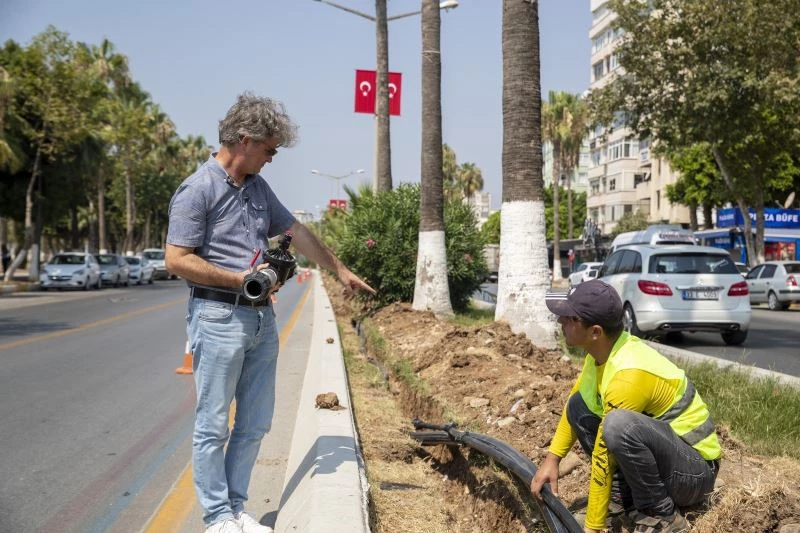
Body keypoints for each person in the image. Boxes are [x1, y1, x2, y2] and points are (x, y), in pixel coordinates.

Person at [165, 92, 375, 533]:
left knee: (256, 422)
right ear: (245, 141)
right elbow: (177, 259)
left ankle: (237, 507)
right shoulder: (197, 189)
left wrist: (339, 269)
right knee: (212, 424)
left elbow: (294, 229)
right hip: (218, 317)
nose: (272, 158)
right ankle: (217, 518)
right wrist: (240, 279)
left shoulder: (258, 188)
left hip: (261, 318)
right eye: (269, 149)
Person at [530, 280, 720, 533]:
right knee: (579, 405)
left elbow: (603, 455)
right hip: (670, 461)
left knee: (618, 425)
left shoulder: (629, 372)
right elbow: (575, 403)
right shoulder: (601, 353)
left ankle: (660, 515)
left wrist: (592, 528)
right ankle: (622, 501)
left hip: (695, 474)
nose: (560, 321)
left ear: (595, 331)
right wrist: (551, 460)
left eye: (568, 317)